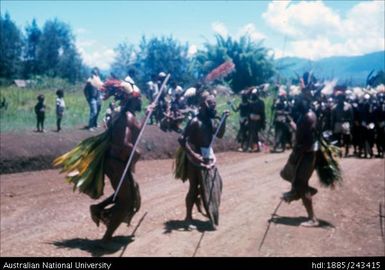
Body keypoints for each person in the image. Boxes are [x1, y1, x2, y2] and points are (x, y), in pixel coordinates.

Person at [89, 77, 154, 244]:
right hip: (116, 163)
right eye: (139, 99)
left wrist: (147, 114)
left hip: (118, 163)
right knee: (125, 201)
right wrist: (135, 151)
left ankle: (98, 209)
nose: (141, 101)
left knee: (130, 195)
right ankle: (106, 238)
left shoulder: (128, 115)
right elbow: (124, 143)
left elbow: (136, 134)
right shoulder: (127, 117)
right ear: (132, 100)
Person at [174, 91, 229, 230]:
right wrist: (193, 155)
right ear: (204, 105)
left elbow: (220, 134)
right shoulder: (194, 122)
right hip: (195, 160)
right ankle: (188, 218)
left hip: (207, 157)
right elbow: (182, 140)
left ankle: (208, 209)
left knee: (215, 183)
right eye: (212, 104)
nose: (214, 108)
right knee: (193, 188)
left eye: (215, 104)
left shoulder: (209, 121)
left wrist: (223, 120)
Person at [280, 88, 319, 227]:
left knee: (301, 183)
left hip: (306, 154)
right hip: (304, 152)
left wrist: (297, 154)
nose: (294, 104)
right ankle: (300, 191)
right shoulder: (305, 116)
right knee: (286, 174)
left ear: (303, 102)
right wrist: (292, 124)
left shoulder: (308, 117)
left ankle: (312, 219)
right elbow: (300, 132)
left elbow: (307, 141)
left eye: (297, 101)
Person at [331, 91, 354, 157]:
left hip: (345, 123)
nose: (340, 99)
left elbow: (351, 116)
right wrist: (332, 126)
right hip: (337, 123)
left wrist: (351, 124)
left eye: (341, 97)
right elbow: (333, 118)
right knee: (337, 138)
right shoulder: (334, 107)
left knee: (346, 138)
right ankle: (339, 152)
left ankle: (346, 151)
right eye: (338, 98)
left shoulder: (348, 106)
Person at [247, 88, 265, 152]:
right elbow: (248, 113)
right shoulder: (250, 103)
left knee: (255, 134)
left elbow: (262, 113)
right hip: (252, 120)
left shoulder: (261, 102)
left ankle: (255, 146)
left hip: (258, 121)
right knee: (252, 133)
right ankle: (253, 146)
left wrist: (263, 122)